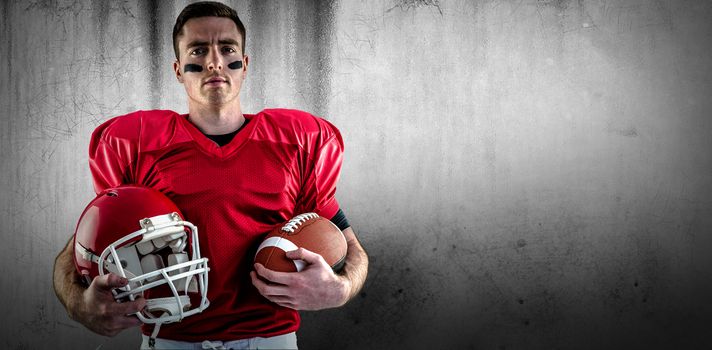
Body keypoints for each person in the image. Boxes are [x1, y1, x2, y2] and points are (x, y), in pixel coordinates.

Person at [52, 2, 369, 349]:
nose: (214, 61)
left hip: (270, 339)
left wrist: (341, 288)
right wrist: (79, 304)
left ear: (245, 65)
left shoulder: (296, 141)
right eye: (198, 50)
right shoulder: (139, 144)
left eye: (227, 48)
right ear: (178, 70)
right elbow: (81, 247)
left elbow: (351, 247)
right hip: (172, 340)